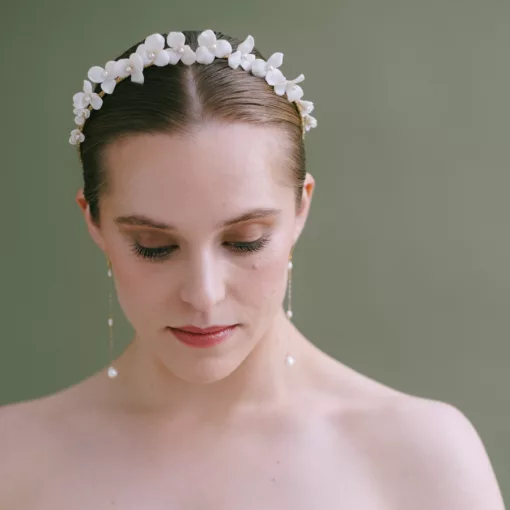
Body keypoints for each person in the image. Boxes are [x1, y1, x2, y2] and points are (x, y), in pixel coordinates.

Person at [0, 29, 505, 509]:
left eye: (245, 241)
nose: (203, 294)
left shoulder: (423, 456)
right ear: (94, 221)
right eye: (154, 246)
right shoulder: (14, 459)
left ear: (300, 209)